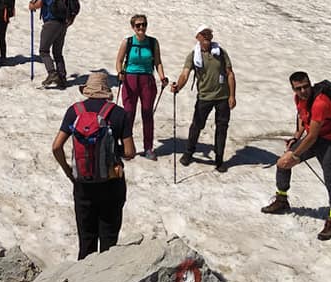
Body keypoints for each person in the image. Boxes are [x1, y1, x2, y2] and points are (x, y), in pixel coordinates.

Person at [51, 71, 135, 260]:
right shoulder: (119, 113)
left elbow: (56, 147)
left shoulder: (74, 111)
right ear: (106, 91)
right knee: (109, 242)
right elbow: (130, 152)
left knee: (86, 241)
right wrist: (114, 150)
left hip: (83, 184)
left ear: (87, 91)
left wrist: (68, 171)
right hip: (112, 184)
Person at [261, 72, 331, 241]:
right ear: (293, 89)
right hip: (312, 138)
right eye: (298, 88)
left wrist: (294, 155)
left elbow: (313, 136)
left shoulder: (320, 103)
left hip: (330, 141)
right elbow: (302, 117)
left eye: (306, 86)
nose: (303, 91)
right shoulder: (298, 99)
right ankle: (282, 199)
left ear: (310, 84)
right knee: (282, 164)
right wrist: (296, 137)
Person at [170, 25, 236, 173]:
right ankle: (189, 152)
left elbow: (230, 74)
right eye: (203, 34)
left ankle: (219, 159)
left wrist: (232, 96)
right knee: (196, 126)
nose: (206, 36)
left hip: (223, 97)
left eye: (209, 33)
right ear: (197, 37)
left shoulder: (221, 53)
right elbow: (185, 74)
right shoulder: (193, 55)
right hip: (204, 97)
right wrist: (178, 86)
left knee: (222, 128)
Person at [115, 14, 168, 161]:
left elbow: (157, 62)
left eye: (143, 24)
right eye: (138, 25)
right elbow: (119, 60)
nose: (141, 27)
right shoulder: (128, 42)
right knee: (129, 113)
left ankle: (148, 148)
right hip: (130, 79)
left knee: (147, 113)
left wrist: (162, 76)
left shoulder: (152, 42)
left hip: (147, 79)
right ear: (133, 27)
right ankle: (127, 147)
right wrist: (120, 72)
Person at [28, 0, 69, 89]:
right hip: (62, 24)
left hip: (51, 23)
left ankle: (52, 73)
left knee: (44, 50)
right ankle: (62, 77)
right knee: (57, 52)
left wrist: (32, 6)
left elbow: (39, 4)